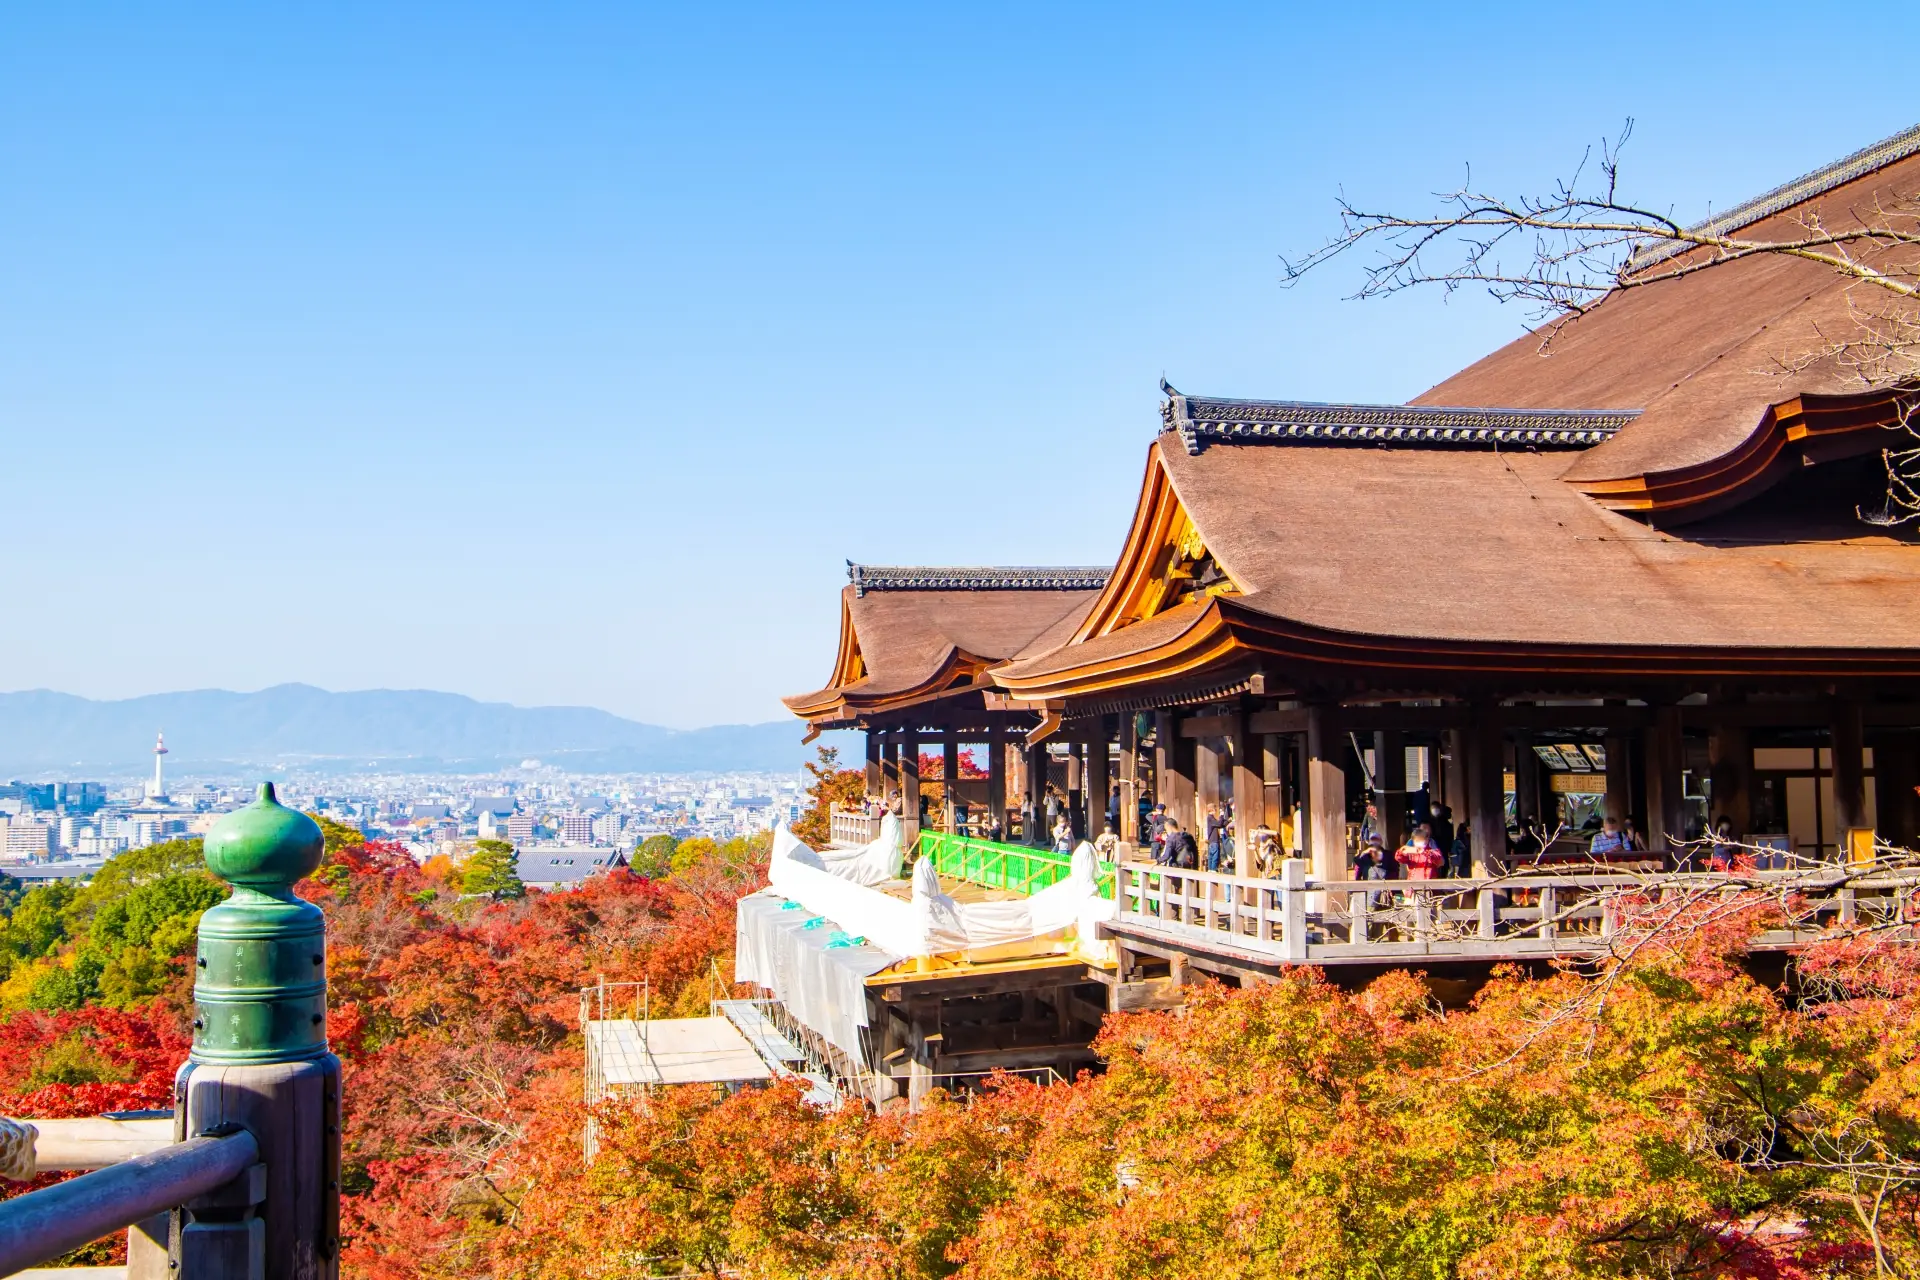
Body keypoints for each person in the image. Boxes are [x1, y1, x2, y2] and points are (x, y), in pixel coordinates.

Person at [1204, 805, 1227, 872]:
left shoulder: (1210, 818)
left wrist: (1227, 821)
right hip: (1214, 841)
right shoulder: (1210, 818)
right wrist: (1222, 815)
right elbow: (1219, 824)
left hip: (1211, 841)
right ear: (1212, 810)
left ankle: (1210, 869)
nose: (1216, 811)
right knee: (1215, 856)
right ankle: (1213, 869)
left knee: (1211, 855)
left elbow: (1220, 825)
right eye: (1215, 809)